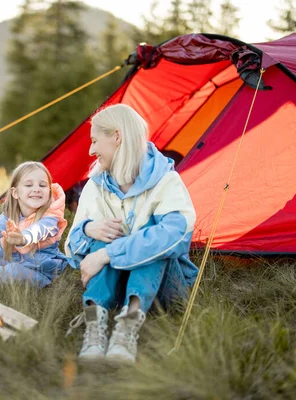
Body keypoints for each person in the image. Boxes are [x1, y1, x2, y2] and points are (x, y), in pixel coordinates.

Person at [65, 104, 198, 363]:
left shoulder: (166, 181)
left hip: (165, 290)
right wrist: (87, 228)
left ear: (117, 136)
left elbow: (174, 237)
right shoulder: (96, 185)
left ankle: (127, 329)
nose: (91, 150)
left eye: (95, 141)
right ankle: (95, 328)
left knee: (153, 237)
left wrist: (106, 254)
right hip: (115, 285)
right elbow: (71, 247)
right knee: (101, 231)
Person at [0, 162, 68, 288]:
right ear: (15, 193)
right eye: (29, 185)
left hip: (39, 274)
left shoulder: (51, 219)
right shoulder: (9, 216)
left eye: (43, 185)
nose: (37, 189)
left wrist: (23, 238)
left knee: (11, 271)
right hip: (3, 266)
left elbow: (38, 230)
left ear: (49, 192)